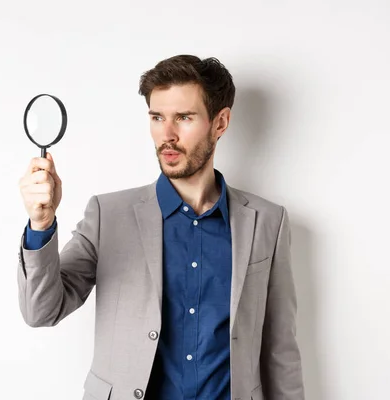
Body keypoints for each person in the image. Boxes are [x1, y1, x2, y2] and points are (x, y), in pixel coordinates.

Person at [17, 54, 305, 400]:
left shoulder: (267, 222)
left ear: (220, 122)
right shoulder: (108, 215)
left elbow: (280, 351)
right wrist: (41, 222)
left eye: (184, 117)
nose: (166, 135)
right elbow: (41, 311)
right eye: (157, 117)